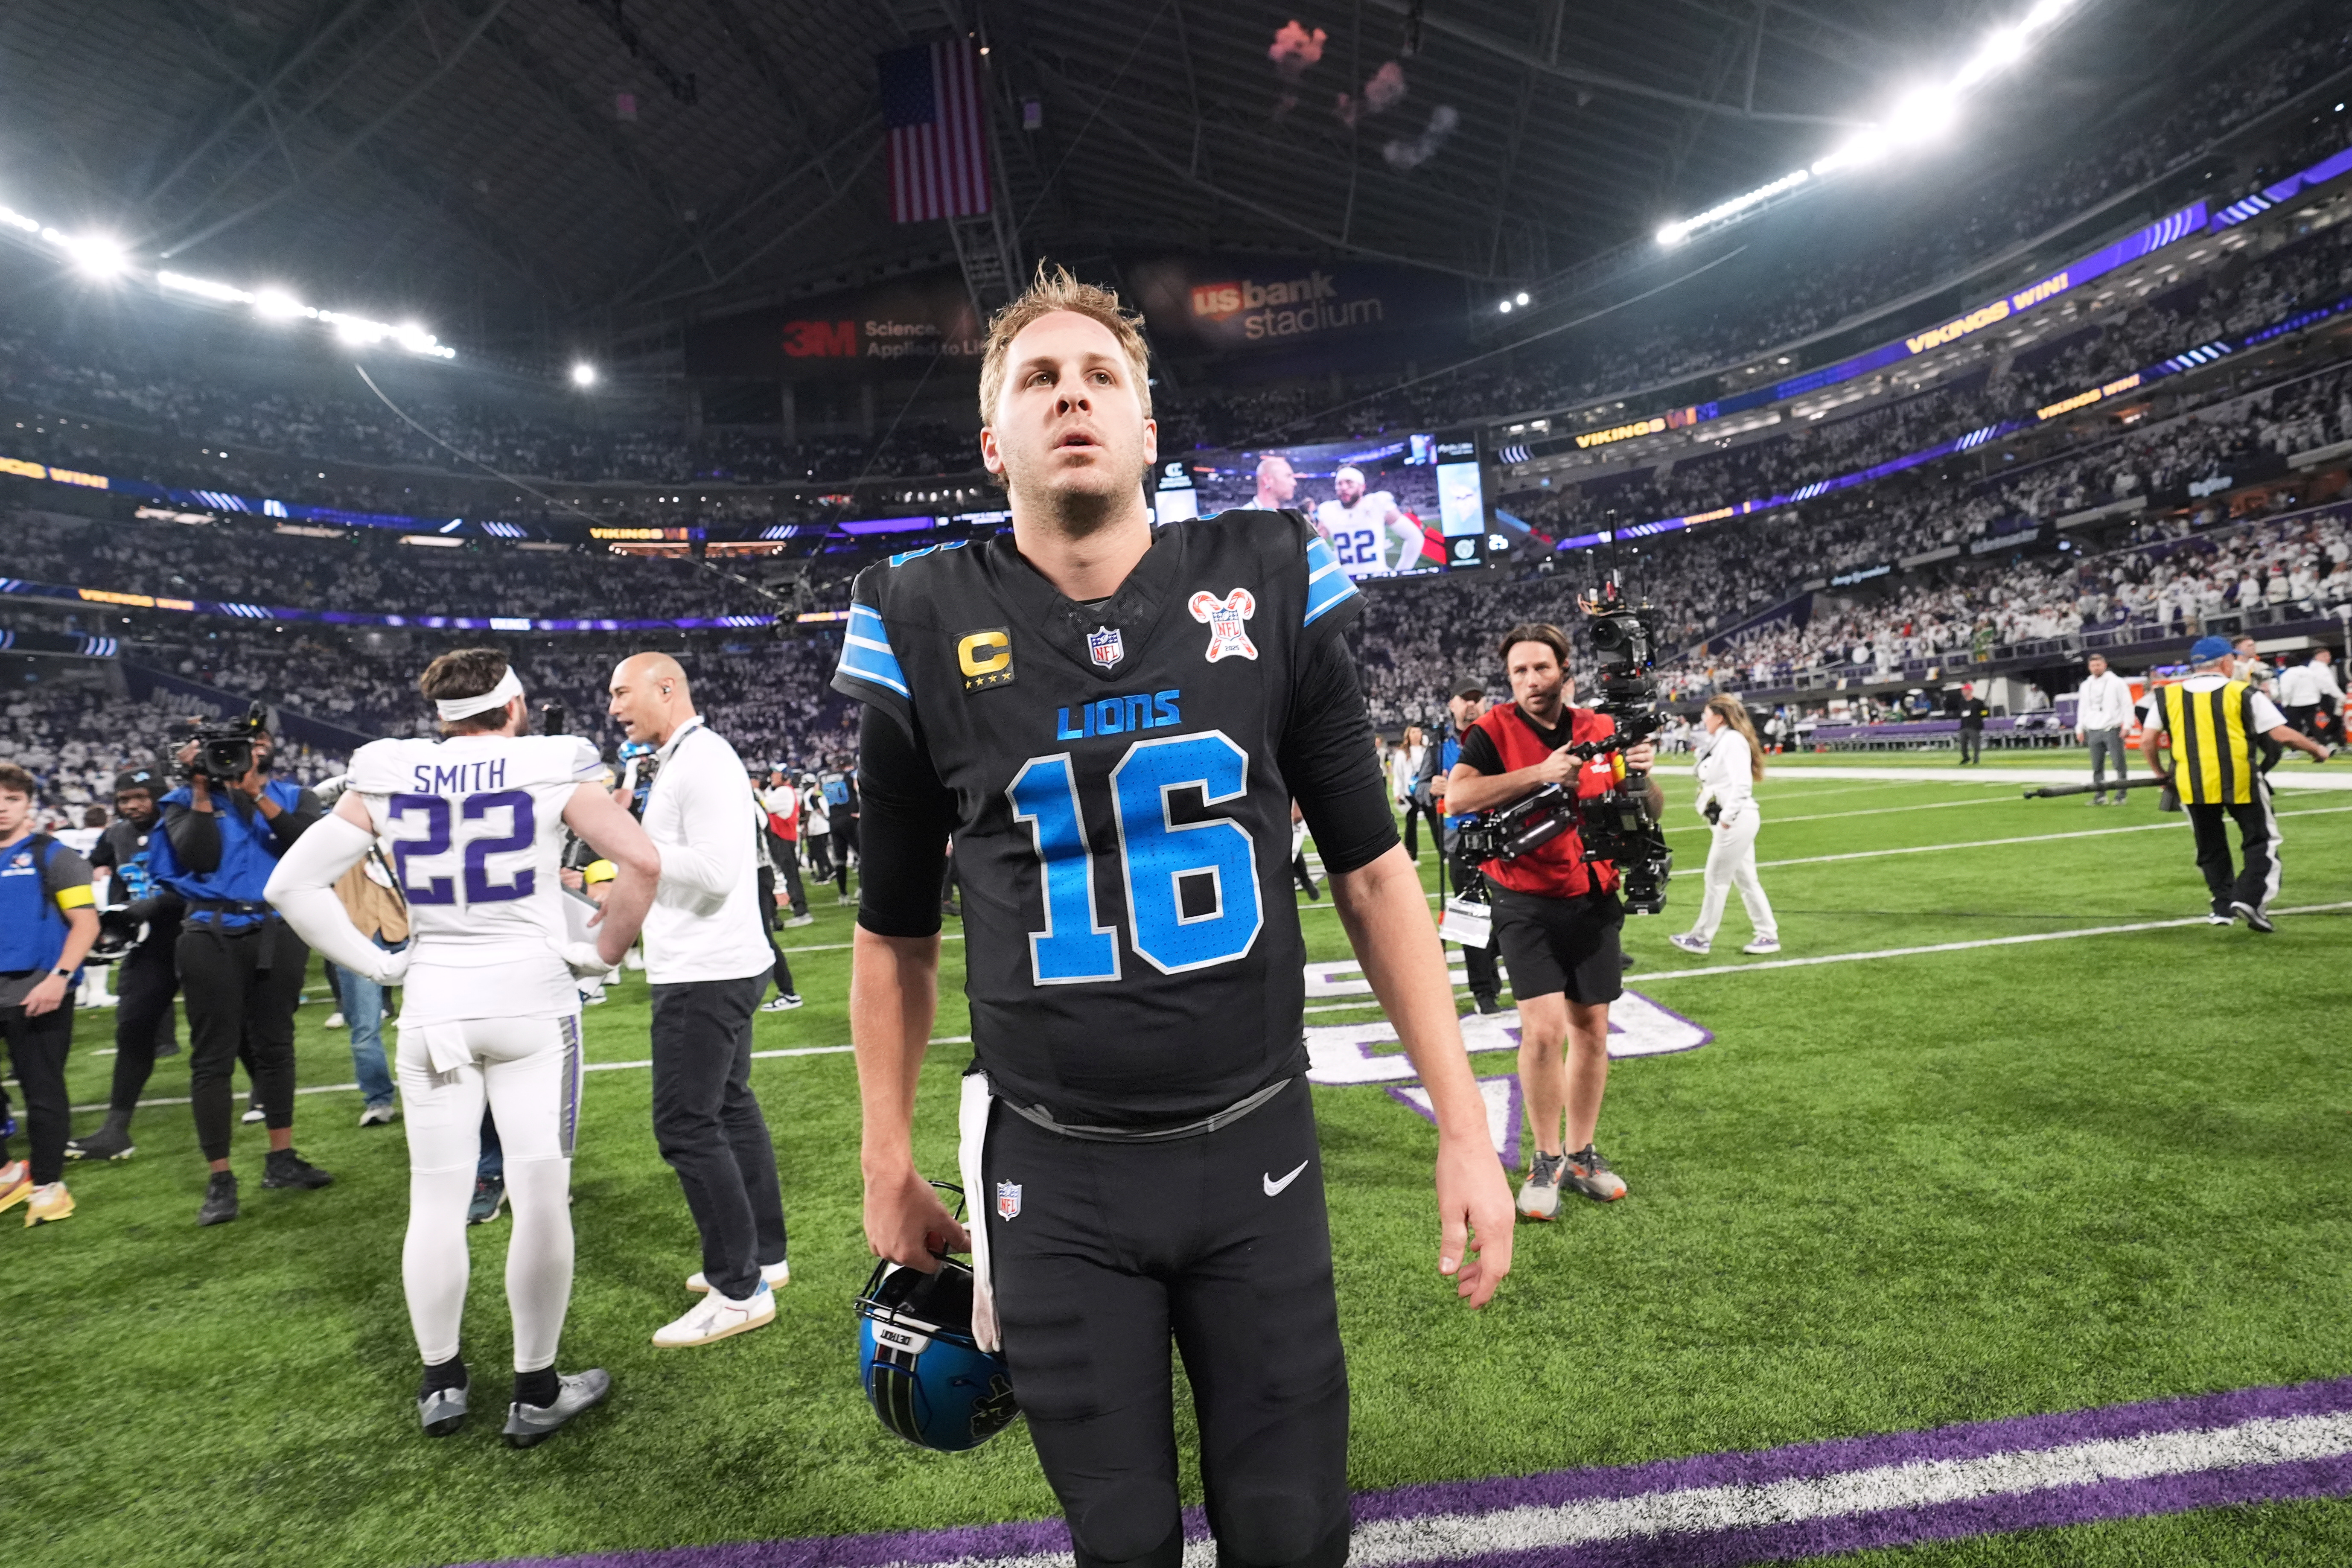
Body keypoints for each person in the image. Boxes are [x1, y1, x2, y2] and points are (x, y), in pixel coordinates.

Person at [838, 267, 1510, 1567]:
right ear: (994, 443)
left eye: (1101, 376)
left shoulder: (1267, 574)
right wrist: (883, 1158)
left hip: (1254, 1149)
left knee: (1291, 1533)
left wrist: (1464, 1130)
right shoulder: (920, 617)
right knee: (1122, 1543)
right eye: (1037, 378)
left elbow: (1375, 874)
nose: (1070, 395)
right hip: (1052, 1172)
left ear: (1150, 430)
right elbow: (893, 933)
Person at [267, 648, 660, 1446]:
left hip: (432, 1005)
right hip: (528, 1003)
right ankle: (535, 1387)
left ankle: (441, 1379)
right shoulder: (550, 763)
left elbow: (288, 886)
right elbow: (644, 861)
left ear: (441, 714)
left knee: (436, 1201)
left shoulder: (389, 770)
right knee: (539, 1195)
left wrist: (380, 963)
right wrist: (603, 951)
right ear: (513, 706)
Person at [607, 652, 794, 1347]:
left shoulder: (702, 758)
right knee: (729, 1105)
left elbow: (716, 872)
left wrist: (624, 843)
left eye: (623, 691)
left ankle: (737, 1288)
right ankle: (764, 1257)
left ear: (667, 688)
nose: (614, 706)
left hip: (704, 968)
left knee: (685, 1123)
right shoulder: (688, 757)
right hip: (719, 960)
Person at [1446, 623, 1662, 1220]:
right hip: (1522, 899)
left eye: (1540, 668)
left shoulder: (1599, 727)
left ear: (1565, 670)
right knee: (1543, 1033)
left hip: (1592, 894)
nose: (1529, 680)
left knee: (1591, 1031)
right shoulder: (1491, 731)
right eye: (1518, 671)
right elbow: (1457, 799)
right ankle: (1544, 1159)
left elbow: (1649, 808)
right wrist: (1539, 773)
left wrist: (1639, 771)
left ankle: (1580, 1154)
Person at [144, 725, 333, 1225]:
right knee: (213, 1057)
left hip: (276, 929)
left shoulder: (295, 796)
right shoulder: (183, 800)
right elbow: (200, 857)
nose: (243, 753)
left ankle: (281, 1158)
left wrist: (256, 798)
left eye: (253, 744)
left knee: (276, 1046)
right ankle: (221, 1176)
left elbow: (309, 850)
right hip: (211, 931)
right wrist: (205, 790)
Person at [2140, 636, 2330, 933]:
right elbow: (2281, 734)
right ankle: (2250, 899)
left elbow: (2147, 740)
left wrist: (2160, 774)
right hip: (2240, 780)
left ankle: (2221, 906)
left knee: (2210, 846)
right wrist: (2316, 749)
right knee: (2261, 841)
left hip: (2191, 784)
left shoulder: (2167, 696)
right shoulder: (2243, 693)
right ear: (2226, 663)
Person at [0, 761, 100, 1227]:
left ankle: (48, 1184)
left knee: (42, 1092)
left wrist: (59, 976)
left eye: (12, 799)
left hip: (36, 989)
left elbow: (87, 923)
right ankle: (9, 1171)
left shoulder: (55, 856)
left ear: (29, 805)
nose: (2, 809)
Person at [66, 767, 183, 1163]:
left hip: (197, 938)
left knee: (228, 1024)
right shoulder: (116, 834)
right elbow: (99, 864)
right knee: (133, 1029)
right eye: (123, 799)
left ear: (157, 795)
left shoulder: (183, 822)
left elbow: (203, 881)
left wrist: (151, 904)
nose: (131, 805)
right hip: (147, 945)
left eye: (139, 797)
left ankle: (263, 1098)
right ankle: (116, 1129)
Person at [313, 774, 410, 1127]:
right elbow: (306, 811)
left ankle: (436, 1092)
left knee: (435, 1019)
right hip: (358, 934)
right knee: (364, 1026)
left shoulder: (407, 826)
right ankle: (378, 1100)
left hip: (410, 926)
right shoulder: (336, 832)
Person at [1669, 696, 1779, 957]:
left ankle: (1701, 938)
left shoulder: (1731, 741)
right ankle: (1768, 935)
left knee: (1716, 880)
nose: (1703, 719)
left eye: (1707, 714)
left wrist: (1727, 819)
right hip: (1738, 819)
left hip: (1736, 821)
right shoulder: (1725, 740)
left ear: (1719, 717)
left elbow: (1742, 785)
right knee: (1747, 880)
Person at [1422, 681, 1504, 1014]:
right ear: (1452, 705)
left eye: (1477, 699)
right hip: (1460, 840)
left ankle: (1495, 953)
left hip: (1500, 833)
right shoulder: (1439, 746)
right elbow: (1418, 786)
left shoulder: (1499, 736)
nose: (1471, 705)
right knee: (1470, 916)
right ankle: (1483, 990)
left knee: (1508, 911)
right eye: (1465, 700)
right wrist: (1432, 787)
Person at [751, 795, 804, 1013]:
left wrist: (780, 886)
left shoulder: (750, 808)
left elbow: (769, 847)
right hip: (750, 876)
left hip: (756, 875)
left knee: (764, 937)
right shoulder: (748, 806)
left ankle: (789, 993)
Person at [2075, 652, 2138, 806]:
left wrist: (2127, 724)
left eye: (2098, 665)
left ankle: (2121, 795)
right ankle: (2100, 795)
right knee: (2097, 766)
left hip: (2112, 727)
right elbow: (2082, 708)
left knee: (2118, 763)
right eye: (2093, 665)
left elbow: (2126, 704)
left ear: (2105, 665)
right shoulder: (2085, 685)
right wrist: (2080, 728)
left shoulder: (2116, 682)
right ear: (2089, 667)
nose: (2095, 668)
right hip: (2093, 728)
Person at [759, 769, 812, 926]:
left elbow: (765, 805)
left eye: (776, 774)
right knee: (789, 874)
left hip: (784, 839)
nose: (772, 777)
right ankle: (796, 906)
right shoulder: (783, 791)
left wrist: (756, 791)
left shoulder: (784, 792)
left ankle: (801, 910)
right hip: (783, 838)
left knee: (791, 875)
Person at [2277, 647, 2342, 747]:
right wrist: (2316, 700)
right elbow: (2317, 686)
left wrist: (2286, 703)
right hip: (2311, 702)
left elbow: (2286, 692)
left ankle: (2295, 749)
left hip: (2295, 704)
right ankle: (2326, 745)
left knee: (2296, 728)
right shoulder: (2309, 672)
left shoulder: (2288, 674)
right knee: (2313, 726)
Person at [818, 757, 860, 905]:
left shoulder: (823, 778)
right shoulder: (850, 776)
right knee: (863, 856)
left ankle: (843, 894)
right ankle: (863, 888)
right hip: (851, 819)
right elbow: (861, 790)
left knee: (840, 859)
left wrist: (823, 814)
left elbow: (814, 796)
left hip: (834, 821)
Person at [1390, 724, 1428, 859]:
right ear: (1408, 735)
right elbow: (1398, 774)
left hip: (1427, 792)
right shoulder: (1402, 753)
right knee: (1411, 825)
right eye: (1413, 732)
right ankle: (1411, 856)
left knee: (1436, 823)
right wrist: (1397, 793)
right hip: (1410, 793)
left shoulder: (1426, 750)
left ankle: (1445, 854)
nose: (1417, 734)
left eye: (1419, 732)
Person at [1955, 683, 1990, 764]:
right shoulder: (1962, 703)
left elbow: (1986, 712)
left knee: (1976, 744)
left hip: (1974, 726)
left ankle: (1976, 759)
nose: (1963, 692)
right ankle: (1966, 758)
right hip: (1964, 726)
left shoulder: (1978, 702)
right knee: (1963, 744)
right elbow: (1960, 713)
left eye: (1965, 690)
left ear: (1970, 691)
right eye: (1963, 691)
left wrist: (1978, 716)